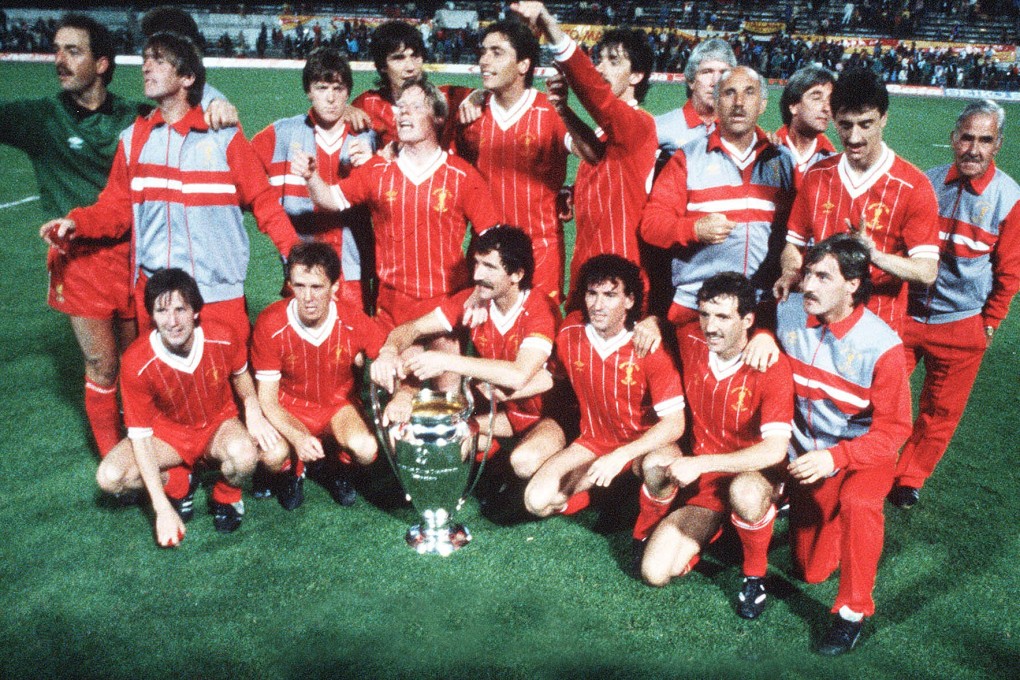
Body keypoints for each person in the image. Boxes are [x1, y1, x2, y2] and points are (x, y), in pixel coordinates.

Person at [1, 14, 233, 457]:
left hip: (134, 255)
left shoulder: (133, 116)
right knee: (102, 363)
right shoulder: (40, 118)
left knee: (136, 362)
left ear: (102, 63)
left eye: (73, 51)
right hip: (80, 260)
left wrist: (220, 105)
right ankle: (117, 459)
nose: (59, 60)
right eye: (57, 50)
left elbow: (187, 102)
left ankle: (149, 444)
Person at [41, 31, 300, 343]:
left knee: (227, 388)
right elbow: (115, 209)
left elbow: (265, 204)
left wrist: (297, 257)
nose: (146, 67)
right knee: (162, 388)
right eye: (146, 60)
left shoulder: (224, 138)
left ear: (187, 77)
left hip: (218, 294)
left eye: (158, 61)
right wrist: (76, 223)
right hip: (157, 298)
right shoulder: (134, 140)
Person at [777, 234, 911, 655]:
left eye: (822, 276)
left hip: (862, 456)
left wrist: (837, 457)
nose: (808, 285)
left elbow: (895, 431)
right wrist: (762, 335)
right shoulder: (788, 312)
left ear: (853, 284)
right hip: (807, 458)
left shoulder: (882, 346)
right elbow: (753, 323)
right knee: (810, 570)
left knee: (859, 504)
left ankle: (851, 613)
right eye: (807, 274)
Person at [636, 273, 793, 621]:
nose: (710, 326)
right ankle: (718, 530)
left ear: (748, 320)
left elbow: (774, 450)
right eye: (705, 314)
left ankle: (754, 575)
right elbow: (665, 323)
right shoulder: (692, 338)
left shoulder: (771, 366)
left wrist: (702, 463)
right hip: (706, 487)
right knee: (655, 573)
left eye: (723, 317)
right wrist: (651, 320)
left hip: (752, 474)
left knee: (747, 493)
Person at [892, 100, 1020, 508]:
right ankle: (864, 468)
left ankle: (909, 478)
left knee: (939, 412)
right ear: (953, 138)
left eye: (985, 140)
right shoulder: (925, 183)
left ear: (998, 144)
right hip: (907, 315)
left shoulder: (1009, 197)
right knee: (877, 396)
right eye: (967, 137)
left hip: (963, 324)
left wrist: (990, 322)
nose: (974, 149)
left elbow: (1011, 270)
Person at [293, 77, 498, 331]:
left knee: (443, 366)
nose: (404, 114)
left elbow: (493, 237)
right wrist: (311, 176)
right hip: (391, 305)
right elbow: (329, 200)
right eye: (401, 107)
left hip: (444, 303)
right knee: (393, 367)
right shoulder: (377, 170)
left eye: (416, 107)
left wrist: (481, 290)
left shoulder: (463, 176)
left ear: (438, 118)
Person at [95, 269, 280, 545]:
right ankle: (180, 482)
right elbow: (142, 440)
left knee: (245, 457)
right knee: (111, 478)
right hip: (168, 436)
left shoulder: (223, 336)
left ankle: (226, 496)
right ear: (152, 317)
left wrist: (252, 406)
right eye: (162, 311)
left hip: (218, 424)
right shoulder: (136, 362)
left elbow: (240, 373)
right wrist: (162, 509)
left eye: (181, 309)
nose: (172, 321)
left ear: (195, 310)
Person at [371, 226, 563, 484]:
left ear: (517, 274)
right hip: (500, 411)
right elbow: (413, 327)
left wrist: (447, 362)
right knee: (442, 443)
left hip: (545, 414)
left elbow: (518, 376)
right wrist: (388, 351)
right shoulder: (476, 300)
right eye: (476, 263)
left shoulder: (540, 310)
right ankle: (491, 456)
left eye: (489, 267)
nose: (476, 275)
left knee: (524, 462)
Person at [775, 68, 940, 333]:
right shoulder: (817, 176)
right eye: (845, 124)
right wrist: (791, 272)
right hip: (817, 324)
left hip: (878, 327)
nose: (854, 138)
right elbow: (792, 246)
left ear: (883, 119)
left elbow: (926, 271)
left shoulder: (913, 186)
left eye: (865, 124)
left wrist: (873, 255)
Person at [523, 254, 686, 520]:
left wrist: (622, 455)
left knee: (657, 468)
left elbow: (674, 424)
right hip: (594, 441)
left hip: (643, 445)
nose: (598, 305)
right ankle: (605, 492)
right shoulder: (570, 331)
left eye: (610, 295)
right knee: (536, 501)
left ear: (630, 300)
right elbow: (554, 376)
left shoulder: (648, 346)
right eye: (592, 294)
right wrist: (508, 388)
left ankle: (645, 517)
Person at [511, 2, 657, 293]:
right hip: (588, 265)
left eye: (613, 61)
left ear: (637, 75)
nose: (600, 68)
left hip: (618, 274)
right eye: (598, 60)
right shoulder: (603, 133)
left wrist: (549, 25)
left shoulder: (640, 124)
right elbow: (608, 175)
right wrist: (572, 194)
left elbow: (597, 94)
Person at [640, 66, 795, 331]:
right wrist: (694, 229)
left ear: (762, 104)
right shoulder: (686, 158)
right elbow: (651, 226)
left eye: (749, 93)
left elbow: (798, 233)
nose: (738, 103)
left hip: (762, 310)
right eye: (729, 93)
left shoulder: (782, 162)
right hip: (697, 308)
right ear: (717, 101)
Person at [252, 242, 385, 510]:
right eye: (299, 286)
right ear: (289, 283)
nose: (308, 298)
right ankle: (292, 470)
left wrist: (389, 364)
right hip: (289, 406)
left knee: (366, 449)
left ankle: (337, 467)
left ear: (335, 287)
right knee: (271, 455)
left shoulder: (352, 320)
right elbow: (267, 400)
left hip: (337, 405)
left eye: (317, 287)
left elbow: (387, 351)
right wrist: (297, 436)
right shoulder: (270, 324)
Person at [252, 47, 377, 311]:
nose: (331, 98)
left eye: (338, 89)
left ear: (348, 92)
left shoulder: (367, 137)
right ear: (308, 91)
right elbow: (243, 178)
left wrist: (375, 165)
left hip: (352, 268)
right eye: (322, 88)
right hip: (300, 269)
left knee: (351, 347)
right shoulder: (281, 134)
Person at [455, 18, 569, 302]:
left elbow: (598, 158)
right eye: (483, 52)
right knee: (486, 340)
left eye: (497, 52)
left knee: (540, 339)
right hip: (486, 253)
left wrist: (573, 191)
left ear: (523, 64)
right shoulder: (472, 113)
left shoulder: (550, 111)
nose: (484, 60)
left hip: (540, 250)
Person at [350, 20, 473, 152]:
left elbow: (491, 98)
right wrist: (344, 112)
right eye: (399, 58)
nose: (411, 67)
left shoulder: (447, 97)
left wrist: (475, 97)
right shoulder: (367, 104)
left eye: (415, 56)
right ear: (382, 66)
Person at [655, 37, 736, 162]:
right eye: (707, 72)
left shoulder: (741, 131)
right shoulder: (659, 127)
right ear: (691, 80)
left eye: (723, 73)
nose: (715, 82)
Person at [775, 65, 837, 183]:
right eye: (817, 98)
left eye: (830, 100)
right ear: (793, 106)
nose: (827, 108)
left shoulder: (832, 160)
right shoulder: (767, 151)